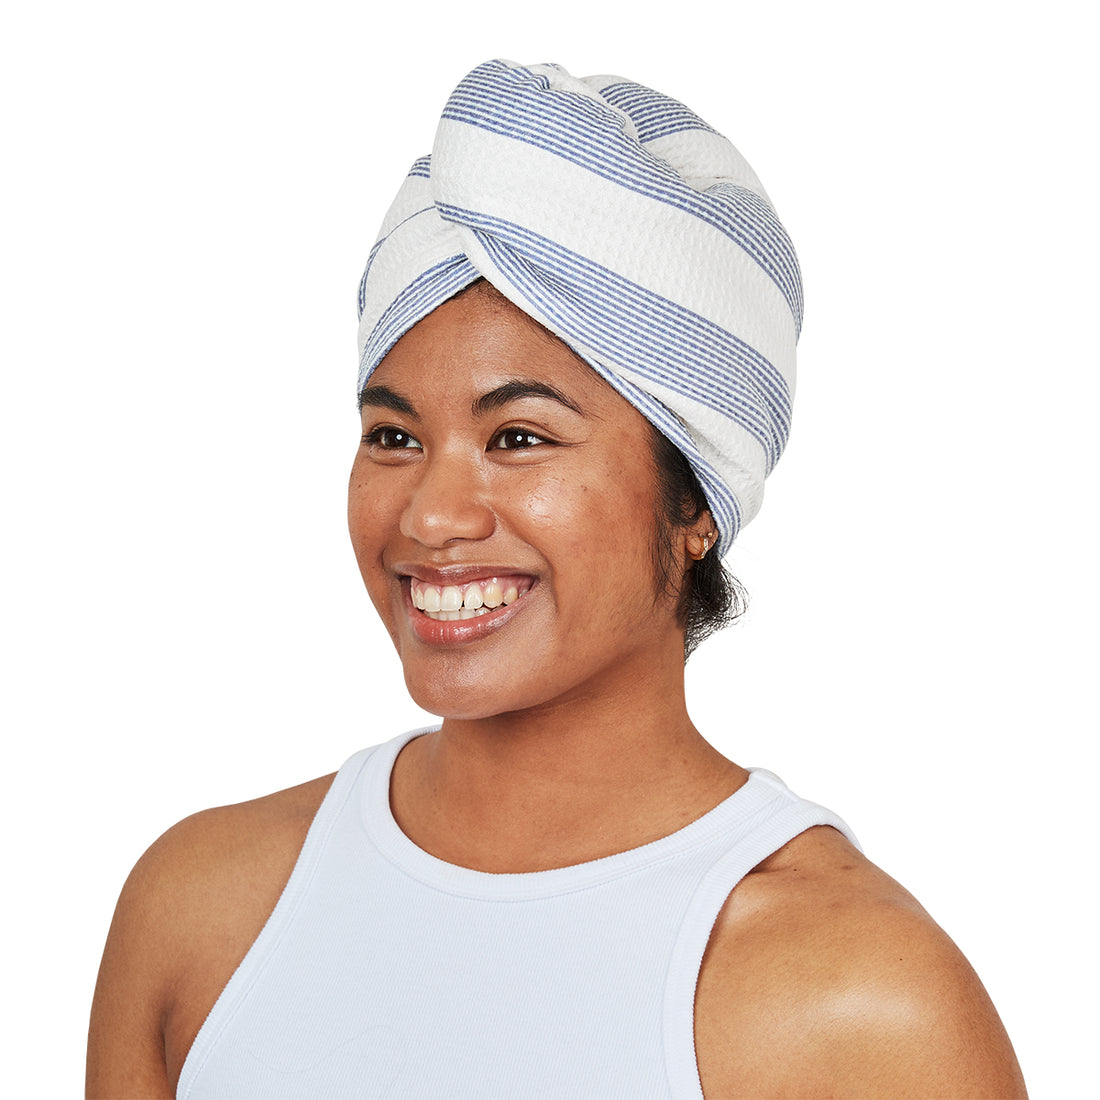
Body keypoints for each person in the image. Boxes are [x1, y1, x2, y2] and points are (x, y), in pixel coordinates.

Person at [86, 60, 1027, 1099]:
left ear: (695, 503)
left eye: (519, 436)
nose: (431, 515)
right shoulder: (201, 912)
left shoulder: (857, 1002)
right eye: (394, 435)